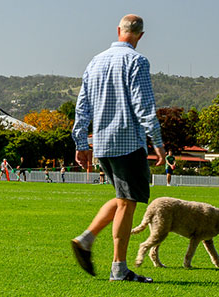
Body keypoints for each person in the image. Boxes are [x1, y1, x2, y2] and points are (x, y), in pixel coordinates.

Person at [68, 14, 164, 283]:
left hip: (102, 143)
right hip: (128, 142)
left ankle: (86, 239)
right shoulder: (137, 61)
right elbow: (143, 105)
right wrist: (157, 141)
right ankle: (118, 269)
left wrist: (80, 142)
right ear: (141, 36)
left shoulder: (95, 61)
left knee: (123, 198)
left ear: (118, 30)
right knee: (128, 202)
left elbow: (82, 106)